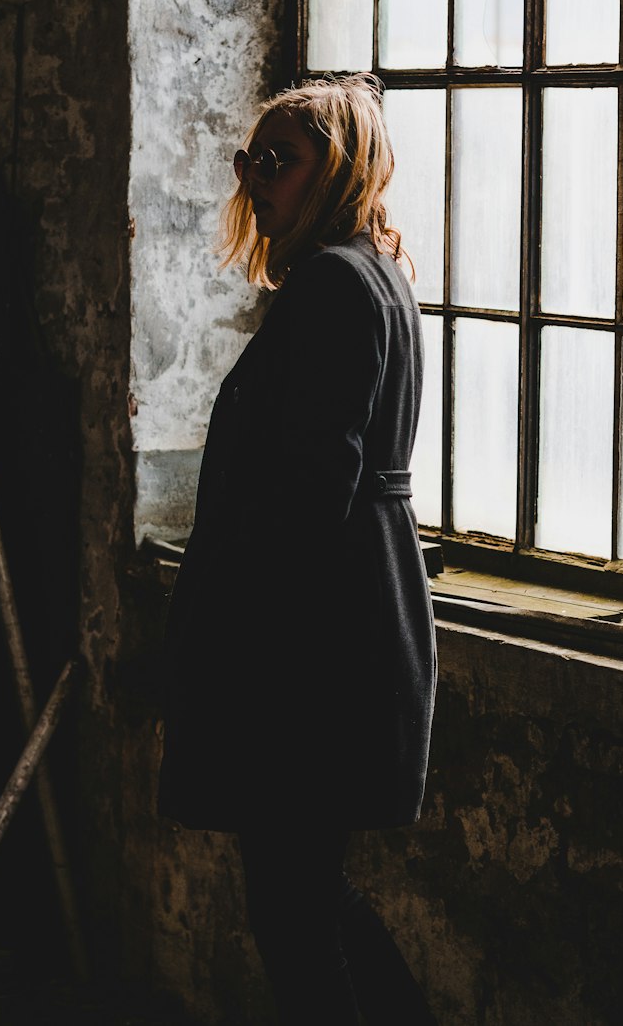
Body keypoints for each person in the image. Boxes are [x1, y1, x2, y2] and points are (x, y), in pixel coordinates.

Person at [158, 74, 439, 1025]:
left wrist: (242, 651)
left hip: (315, 642)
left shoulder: (330, 284)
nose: (255, 181)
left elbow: (311, 494)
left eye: (279, 162)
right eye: (249, 161)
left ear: (340, 167)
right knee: (310, 892)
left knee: (291, 907)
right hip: (353, 617)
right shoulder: (373, 273)